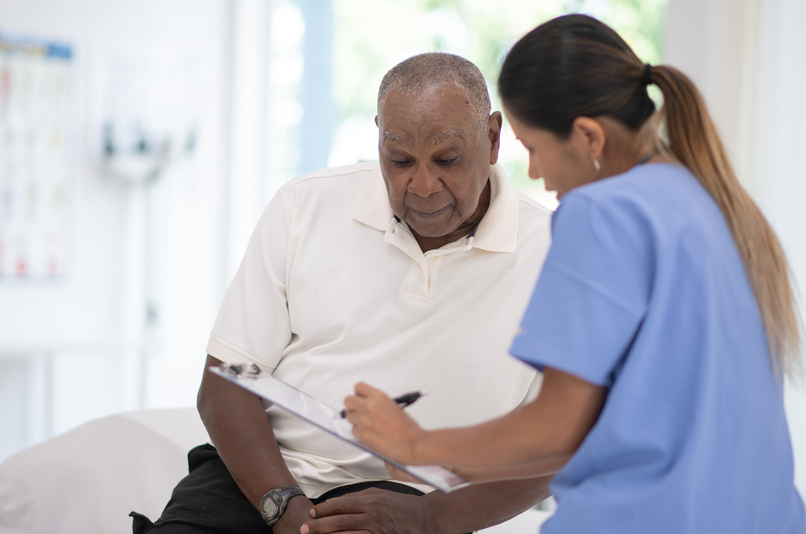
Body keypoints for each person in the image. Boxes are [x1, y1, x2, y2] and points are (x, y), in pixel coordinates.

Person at [344, 14, 806, 534]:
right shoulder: (710, 201)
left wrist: (414, 444)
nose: (536, 174)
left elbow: (559, 428)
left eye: (535, 149)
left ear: (588, 137)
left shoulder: (603, 212)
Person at [130, 53, 553, 534]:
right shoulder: (303, 207)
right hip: (264, 482)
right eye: (399, 161)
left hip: (410, 499)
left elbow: (563, 442)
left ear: (493, 138)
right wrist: (283, 507)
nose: (423, 185)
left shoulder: (556, 254)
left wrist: (437, 516)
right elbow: (226, 381)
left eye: (447, 160)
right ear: (378, 138)